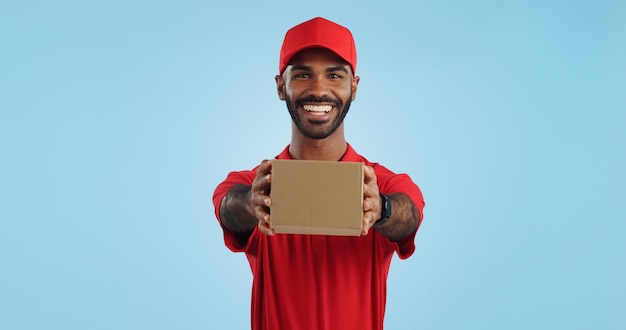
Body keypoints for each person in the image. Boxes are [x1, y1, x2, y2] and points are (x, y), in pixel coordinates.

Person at [212, 17, 425, 330]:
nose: (318, 89)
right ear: (280, 86)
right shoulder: (253, 184)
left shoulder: (383, 184)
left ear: (354, 87)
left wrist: (381, 208)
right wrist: (250, 203)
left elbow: (409, 215)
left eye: (335, 75)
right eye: (302, 74)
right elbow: (228, 208)